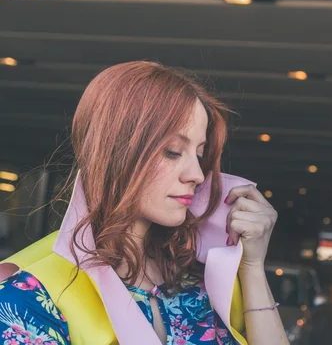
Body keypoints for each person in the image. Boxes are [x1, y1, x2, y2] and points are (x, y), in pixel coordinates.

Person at [0, 61, 289, 345]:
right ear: (115, 152)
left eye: (199, 154)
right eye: (173, 152)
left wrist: (251, 266)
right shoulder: (31, 299)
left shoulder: (205, 281)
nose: (197, 175)